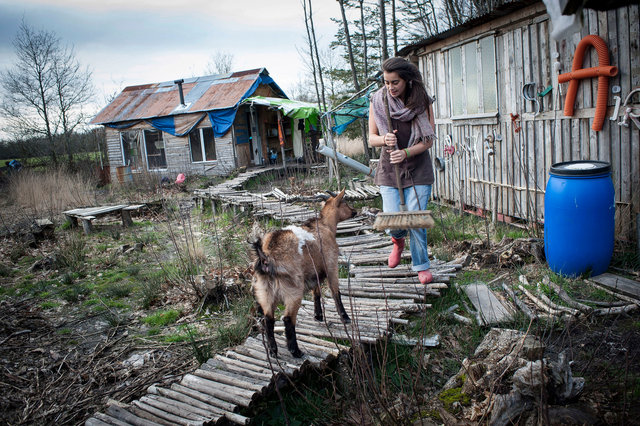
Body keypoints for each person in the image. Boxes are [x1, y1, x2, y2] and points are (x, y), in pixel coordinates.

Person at [368, 57, 436, 284]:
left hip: (418, 167)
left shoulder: (421, 101)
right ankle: (397, 242)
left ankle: (421, 265)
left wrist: (406, 153)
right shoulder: (378, 101)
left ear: (406, 80)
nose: (390, 87)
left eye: (395, 82)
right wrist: (383, 139)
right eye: (386, 82)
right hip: (390, 169)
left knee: (415, 220)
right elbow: (371, 139)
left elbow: (428, 140)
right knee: (393, 219)